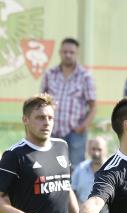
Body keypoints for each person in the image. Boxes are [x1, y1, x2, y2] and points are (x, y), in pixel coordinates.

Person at [40, 37, 97, 169]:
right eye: (65, 52)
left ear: (76, 54)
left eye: (71, 52)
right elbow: (41, 102)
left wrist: (82, 127)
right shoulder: (50, 75)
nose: (68, 55)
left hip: (75, 133)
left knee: (75, 169)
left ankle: (73, 191)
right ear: (60, 52)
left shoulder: (85, 76)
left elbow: (93, 107)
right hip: (51, 131)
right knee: (49, 169)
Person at [71, 136, 109, 203]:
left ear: (106, 151)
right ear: (89, 150)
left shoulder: (112, 170)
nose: (96, 153)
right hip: (82, 210)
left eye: (99, 150)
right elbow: (72, 191)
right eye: (93, 149)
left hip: (106, 212)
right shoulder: (81, 168)